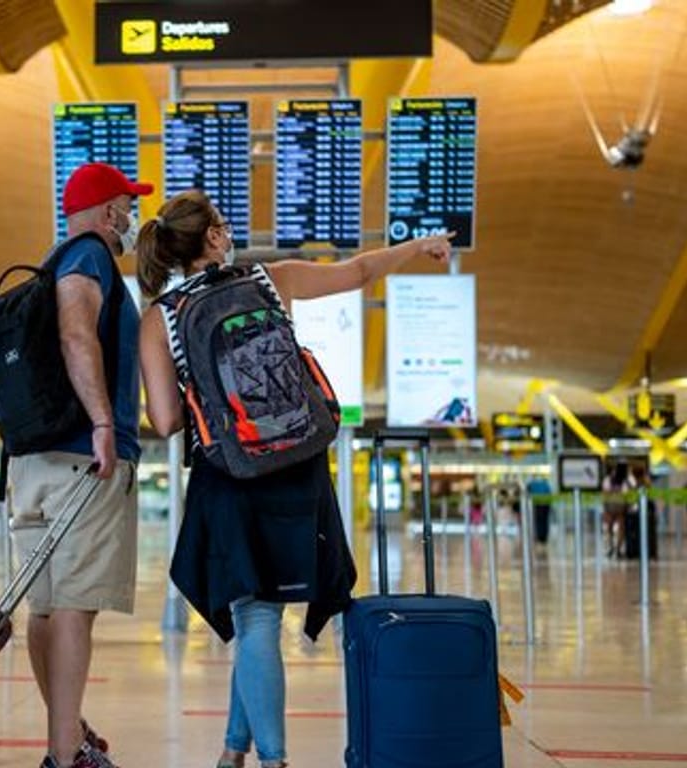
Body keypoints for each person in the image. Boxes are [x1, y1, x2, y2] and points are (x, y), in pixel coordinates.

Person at [135, 189, 452, 768]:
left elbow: (164, 420)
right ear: (212, 237)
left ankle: (271, 759)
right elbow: (356, 272)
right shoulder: (266, 279)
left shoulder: (160, 319)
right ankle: (236, 750)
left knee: (253, 615)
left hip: (229, 473)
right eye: (223, 224)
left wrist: (204, 387)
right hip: (297, 463)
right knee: (264, 613)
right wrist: (417, 244)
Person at [8, 163, 151, 768]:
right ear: (105, 211)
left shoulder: (50, 259)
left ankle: (67, 734)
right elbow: (76, 333)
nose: (131, 215)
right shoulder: (90, 256)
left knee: (45, 606)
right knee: (74, 605)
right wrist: (101, 423)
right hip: (81, 458)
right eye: (127, 203)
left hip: (33, 460)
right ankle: (65, 756)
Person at [526, 475, 553, 546]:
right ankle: (543, 537)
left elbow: (527, 492)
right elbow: (549, 493)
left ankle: (538, 536)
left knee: (537, 520)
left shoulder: (531, 484)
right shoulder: (545, 483)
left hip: (537, 504)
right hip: (545, 504)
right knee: (544, 520)